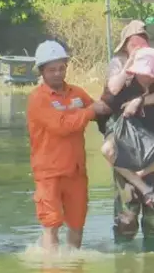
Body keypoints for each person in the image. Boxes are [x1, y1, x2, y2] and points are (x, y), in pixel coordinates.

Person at [26, 40, 110, 252]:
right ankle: (51, 266)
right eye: (52, 69)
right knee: (51, 224)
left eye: (61, 68)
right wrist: (91, 111)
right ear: (42, 71)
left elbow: (99, 111)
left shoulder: (77, 93)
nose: (57, 73)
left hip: (76, 172)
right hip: (49, 173)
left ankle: (73, 265)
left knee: (77, 224)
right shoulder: (38, 99)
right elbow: (62, 126)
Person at [100, 20, 154, 251]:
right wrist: (130, 66)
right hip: (126, 153)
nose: (138, 45)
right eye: (133, 42)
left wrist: (142, 98)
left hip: (152, 151)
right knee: (126, 222)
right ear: (125, 46)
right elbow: (111, 92)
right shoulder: (121, 69)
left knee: (153, 224)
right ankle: (124, 260)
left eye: (142, 41)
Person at [100, 47, 154, 207]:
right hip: (126, 132)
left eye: (151, 73)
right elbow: (109, 97)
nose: (147, 77)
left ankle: (140, 174)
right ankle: (141, 186)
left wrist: (139, 101)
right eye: (144, 72)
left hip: (151, 131)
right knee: (107, 150)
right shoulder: (124, 85)